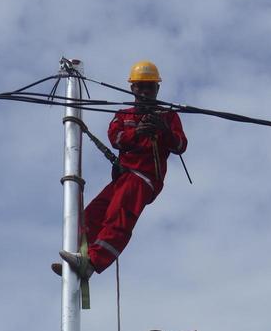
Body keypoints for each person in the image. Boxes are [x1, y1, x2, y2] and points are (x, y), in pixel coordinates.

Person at [55, 60, 187, 279]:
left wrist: (164, 131)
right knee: (91, 215)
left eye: (150, 87)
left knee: (119, 216)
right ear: (132, 88)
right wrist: (137, 133)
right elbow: (115, 138)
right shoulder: (124, 115)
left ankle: (94, 261)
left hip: (143, 178)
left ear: (157, 89)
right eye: (140, 86)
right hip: (123, 177)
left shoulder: (167, 116)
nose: (144, 91)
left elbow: (181, 145)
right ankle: (80, 256)